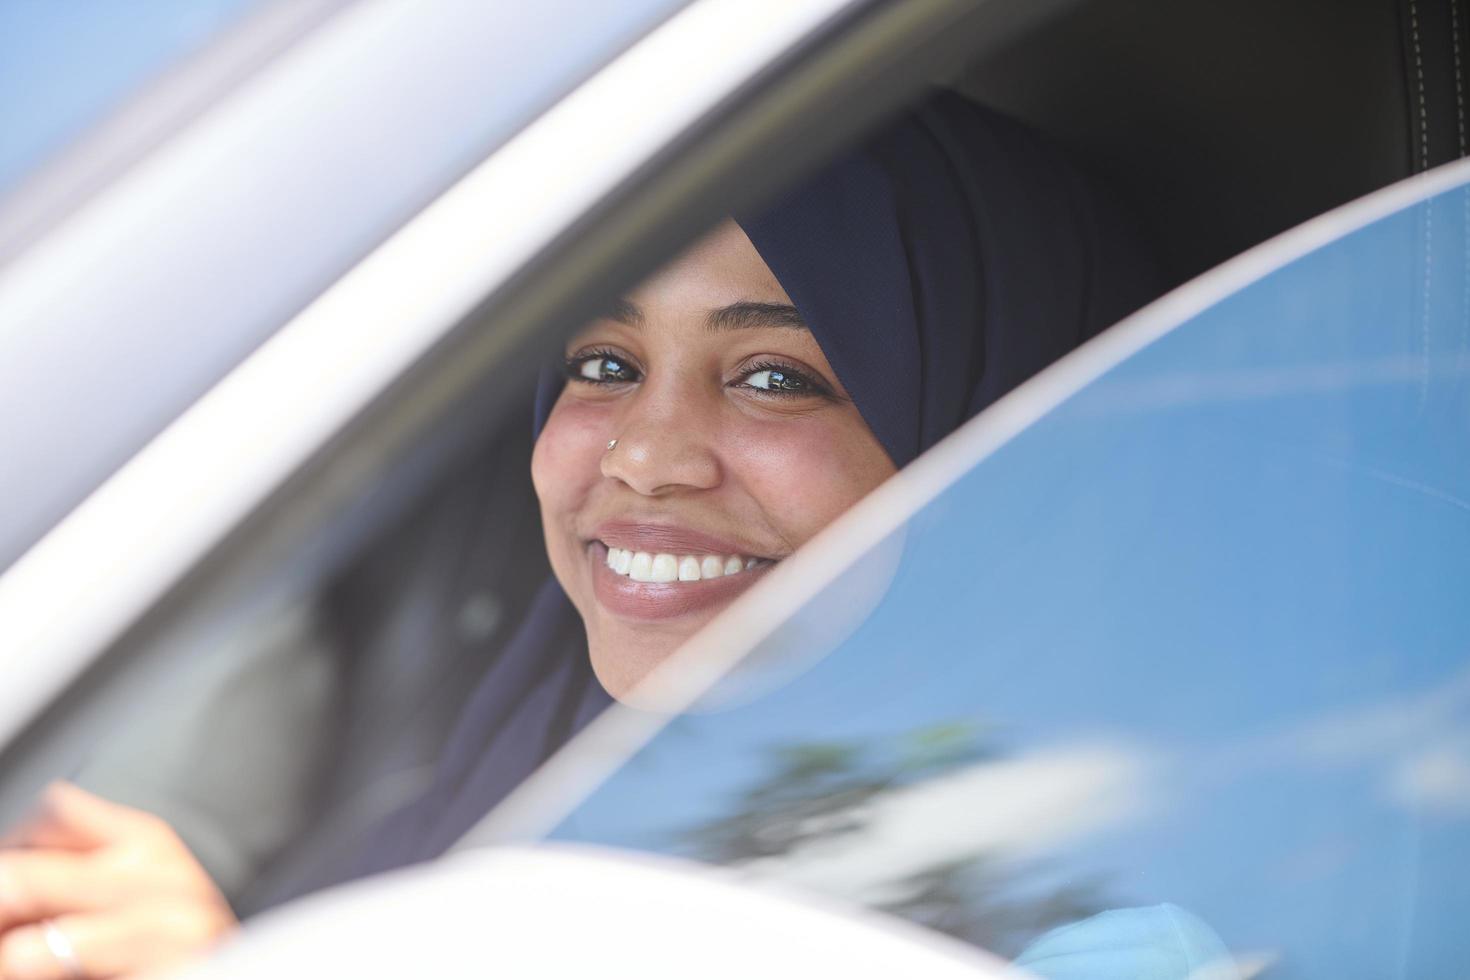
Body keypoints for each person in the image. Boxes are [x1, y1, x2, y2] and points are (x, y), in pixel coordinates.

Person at [0, 91, 1181, 978]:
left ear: (998, 431)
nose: (643, 454)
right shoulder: (514, 771)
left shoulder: (1106, 926)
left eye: (774, 375)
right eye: (605, 363)